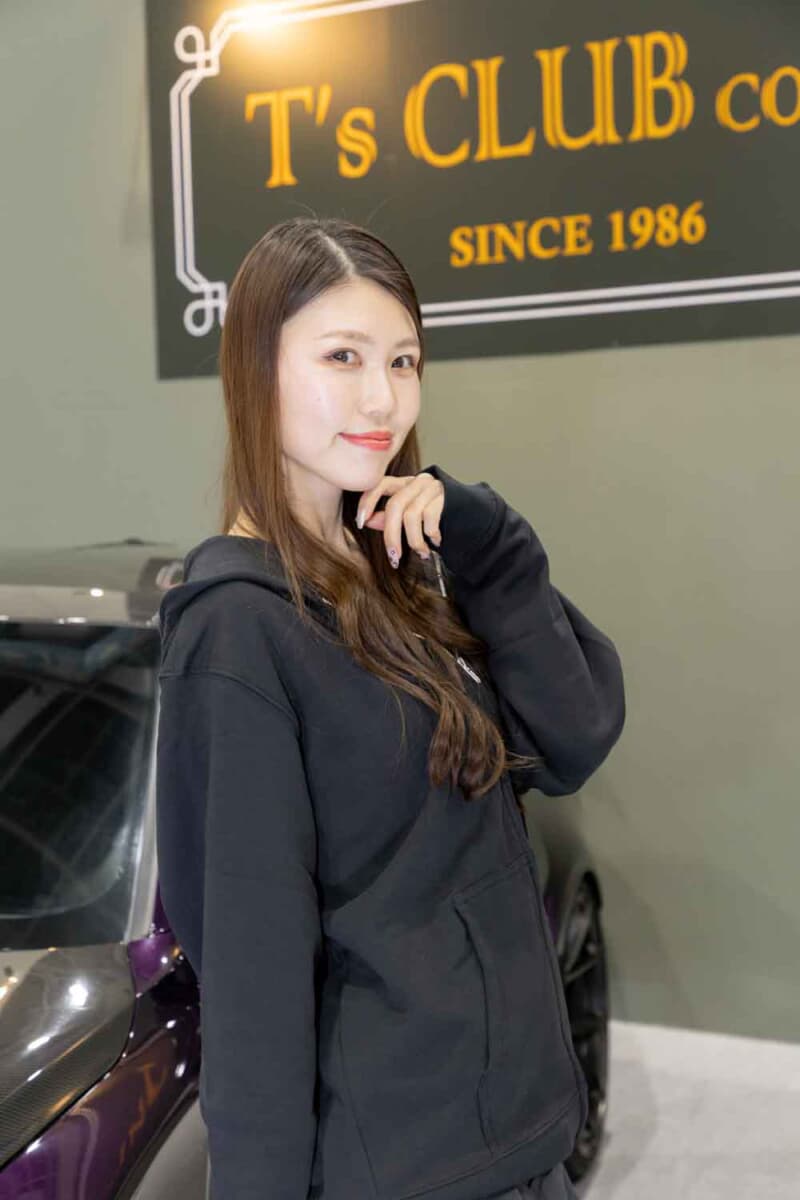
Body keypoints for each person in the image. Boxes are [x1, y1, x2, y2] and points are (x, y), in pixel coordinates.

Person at [155, 216, 625, 1200]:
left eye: (403, 360)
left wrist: (490, 544)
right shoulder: (237, 631)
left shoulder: (405, 566)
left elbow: (574, 735)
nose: (382, 397)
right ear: (255, 370)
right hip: (408, 1171)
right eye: (343, 357)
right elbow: (251, 977)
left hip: (517, 1138)